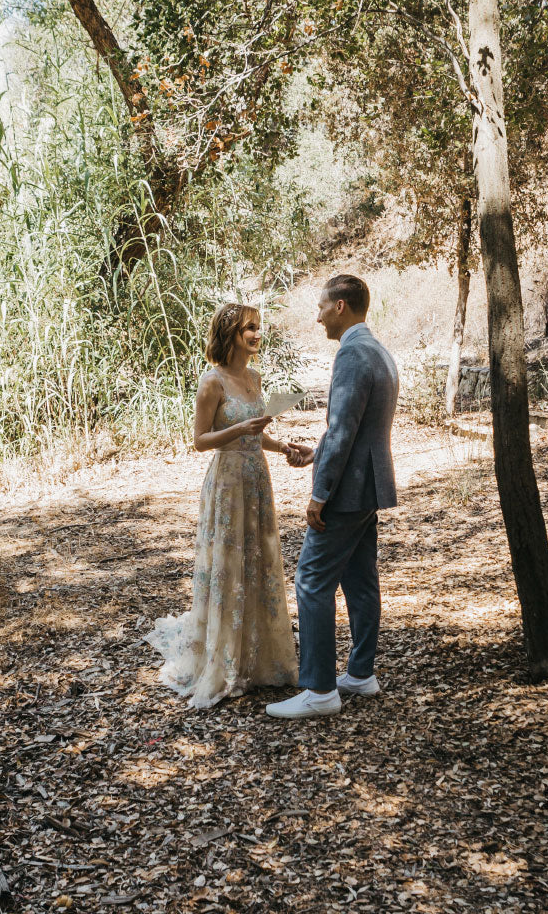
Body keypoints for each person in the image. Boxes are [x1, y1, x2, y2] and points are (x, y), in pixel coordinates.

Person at [147, 302, 299, 709]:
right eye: (250, 328)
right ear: (230, 333)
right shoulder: (211, 382)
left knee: (259, 561)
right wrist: (237, 429)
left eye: (259, 328)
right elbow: (199, 440)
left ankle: (263, 659)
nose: (257, 334)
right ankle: (227, 661)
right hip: (228, 481)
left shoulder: (254, 377)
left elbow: (256, 433)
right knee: (230, 564)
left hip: (257, 478)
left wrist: (282, 445)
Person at [267, 274, 398, 720]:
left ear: (340, 307)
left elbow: (343, 431)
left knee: (311, 579)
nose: (318, 315)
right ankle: (361, 673)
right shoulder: (378, 350)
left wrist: (319, 493)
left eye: (321, 307)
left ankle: (320, 689)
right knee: (360, 580)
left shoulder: (352, 355)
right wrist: (314, 454)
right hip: (370, 488)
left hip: (346, 492)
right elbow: (353, 429)